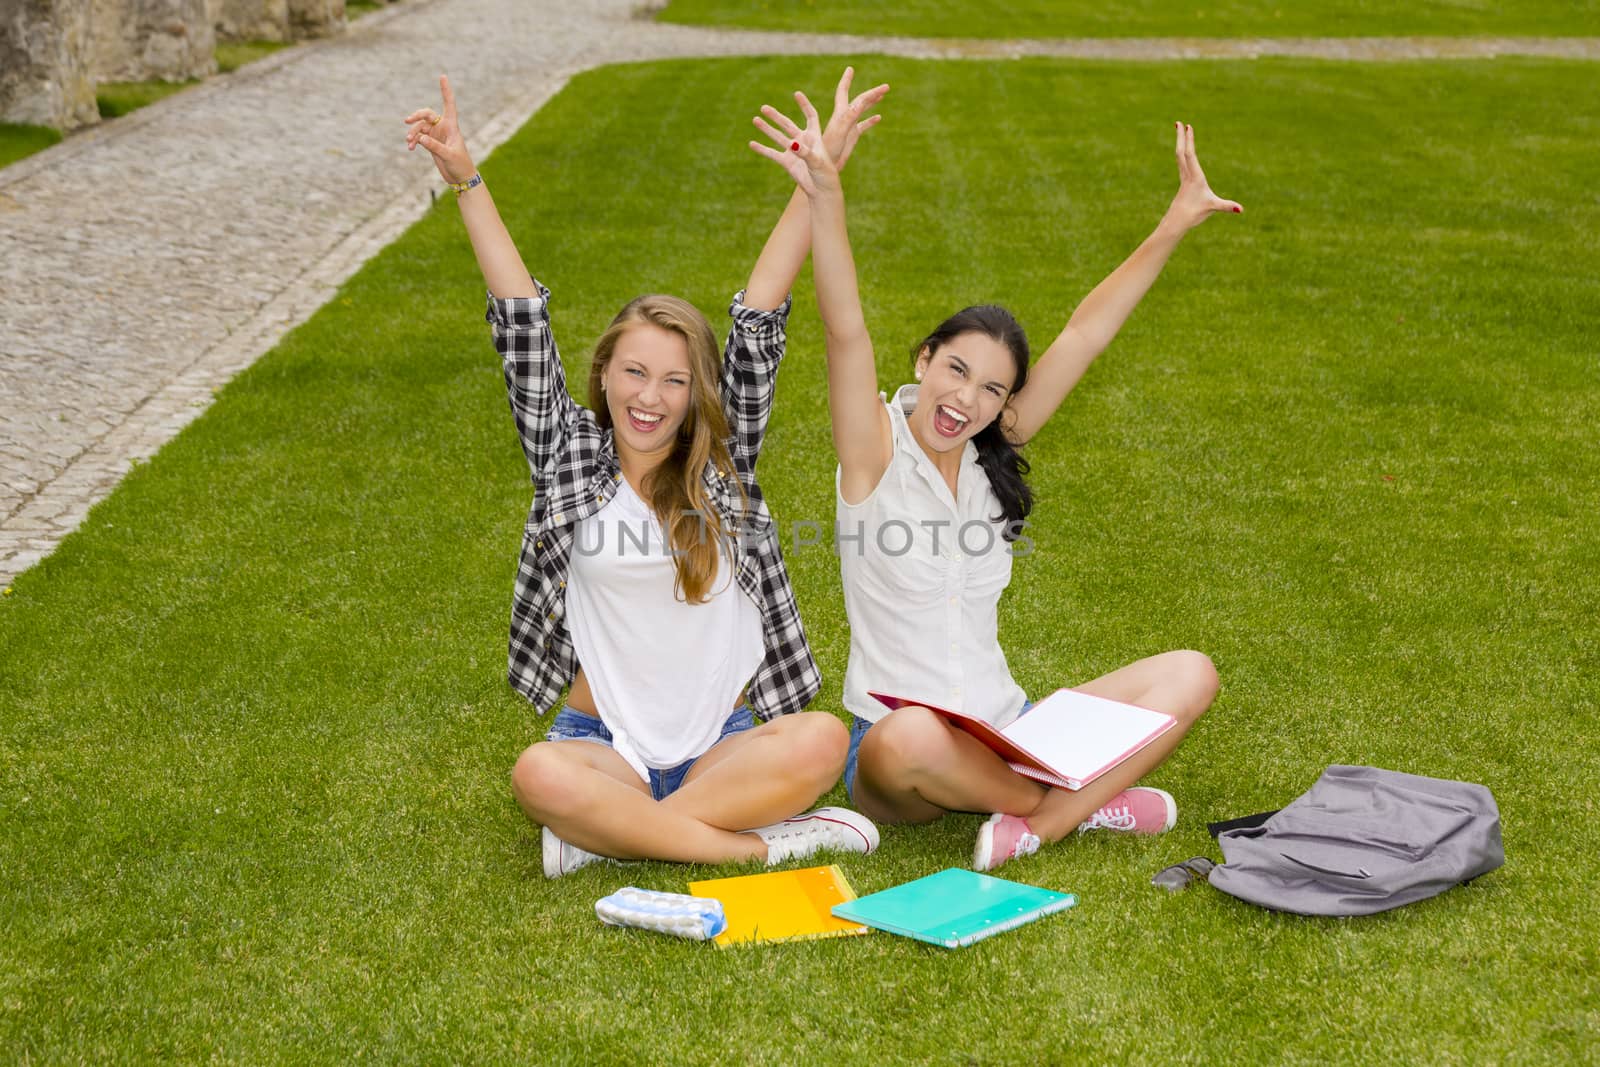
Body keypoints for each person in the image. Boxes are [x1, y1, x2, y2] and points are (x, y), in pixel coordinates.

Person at [407, 69, 889, 877]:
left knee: (822, 737)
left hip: (726, 747)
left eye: (672, 380)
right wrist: (467, 179)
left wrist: (816, 183)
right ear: (603, 376)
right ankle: (760, 843)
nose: (650, 398)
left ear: (695, 390)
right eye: (633, 373)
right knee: (537, 772)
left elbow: (760, 318)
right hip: (605, 748)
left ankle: (613, 834)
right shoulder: (569, 459)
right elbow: (522, 322)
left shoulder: (721, 457)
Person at [751, 94, 1234, 871]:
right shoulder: (873, 452)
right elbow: (845, 329)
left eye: (992, 389)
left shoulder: (990, 450)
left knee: (1191, 672)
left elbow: (1084, 333)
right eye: (957, 370)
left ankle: (1037, 822)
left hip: (1012, 731)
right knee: (909, 734)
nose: (966, 400)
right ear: (925, 360)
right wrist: (826, 197)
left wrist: (1174, 222)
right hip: (897, 753)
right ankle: (1078, 802)